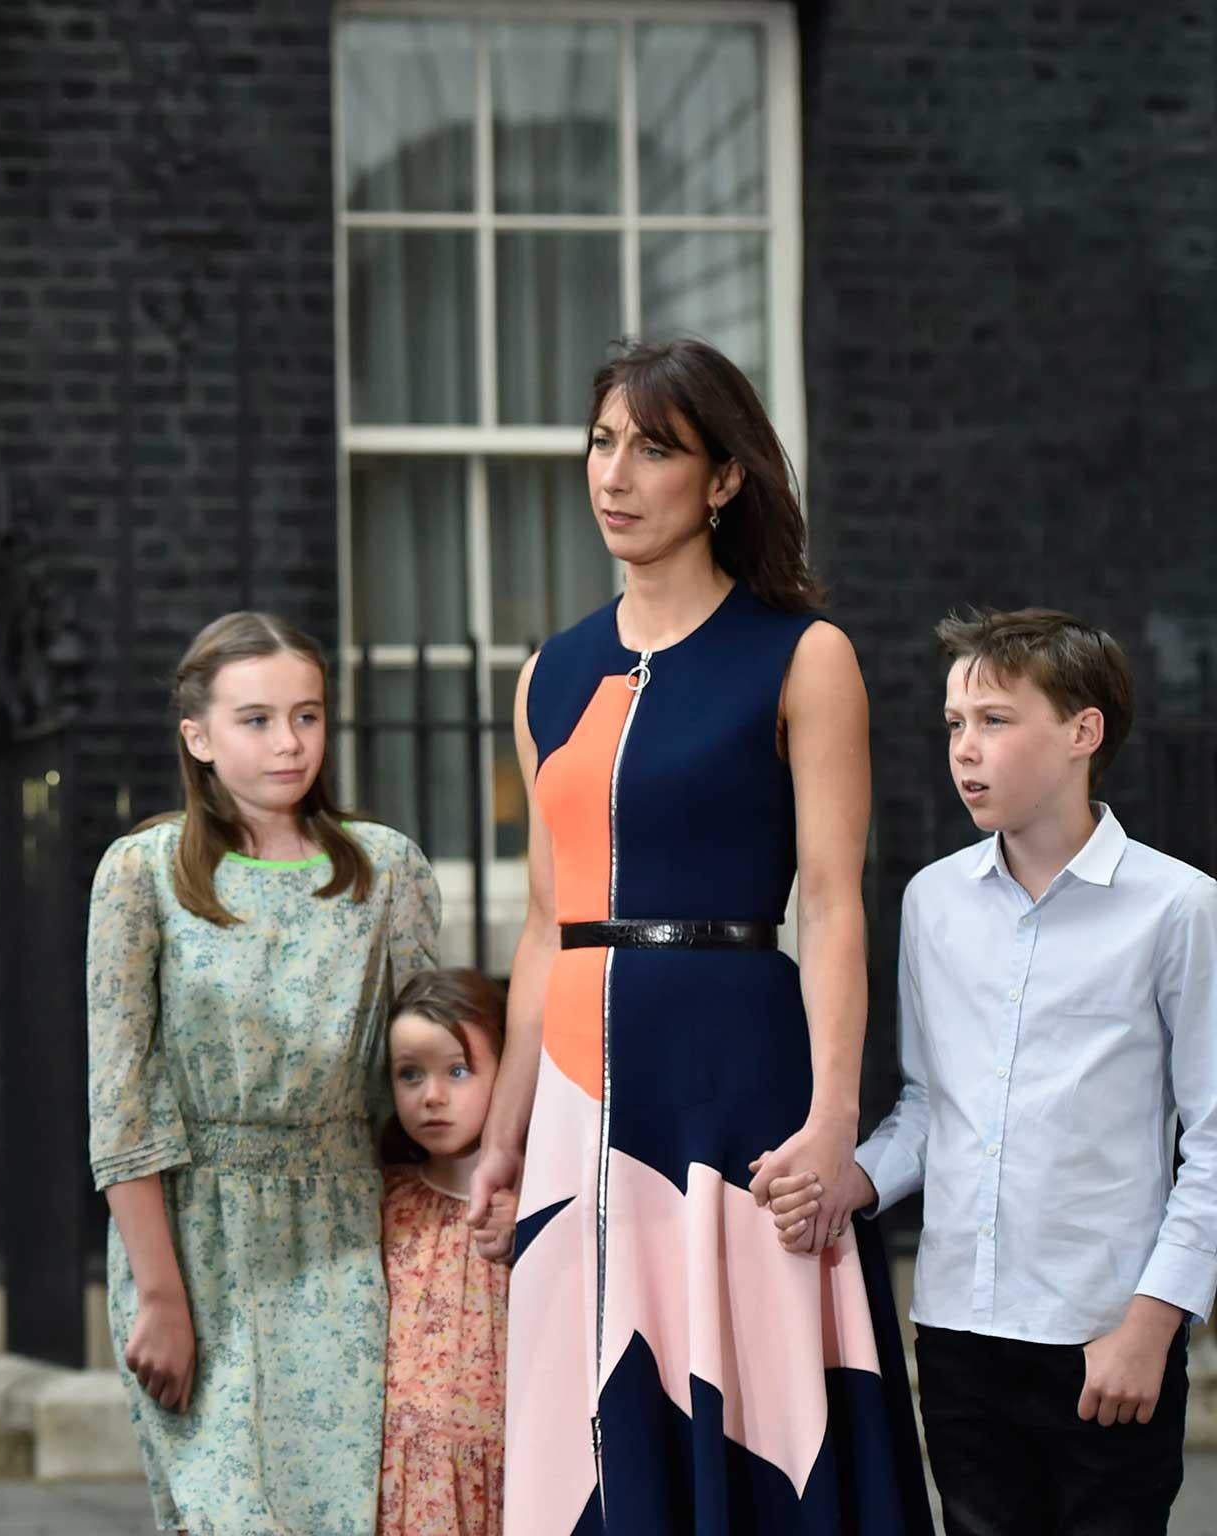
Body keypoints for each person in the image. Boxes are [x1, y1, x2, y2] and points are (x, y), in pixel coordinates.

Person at [466, 337, 932, 1533]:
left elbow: (830, 900)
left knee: (755, 1416)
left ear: (722, 480)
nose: (613, 475)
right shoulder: (548, 675)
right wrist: (505, 1136)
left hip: (736, 1074)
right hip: (575, 1098)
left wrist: (832, 1121)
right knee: (590, 1432)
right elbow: (539, 924)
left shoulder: (800, 655)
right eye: (600, 442)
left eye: (654, 449)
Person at [768, 608, 1217, 1536]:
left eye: (996, 721)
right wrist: (847, 1182)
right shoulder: (933, 901)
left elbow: (1212, 1141)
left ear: (1082, 732)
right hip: (961, 1338)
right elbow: (934, 1108)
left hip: (1107, 1337)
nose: (964, 750)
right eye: (953, 725)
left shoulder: (1180, 909)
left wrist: (1151, 1325)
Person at [85, 610, 441, 1535]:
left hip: (343, 1234)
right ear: (197, 737)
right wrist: (161, 1295)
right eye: (256, 719)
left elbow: (423, 1077)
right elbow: (120, 1101)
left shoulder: (388, 870)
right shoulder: (143, 873)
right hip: (192, 1238)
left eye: (308, 715)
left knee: (342, 1511)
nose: (289, 742)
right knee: (227, 1514)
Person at [378, 967, 512, 1536]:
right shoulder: (386, 1198)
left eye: (458, 1071)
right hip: (408, 1485)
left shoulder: (535, 1204)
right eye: (410, 1074)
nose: (431, 1096)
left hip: (510, 1471)